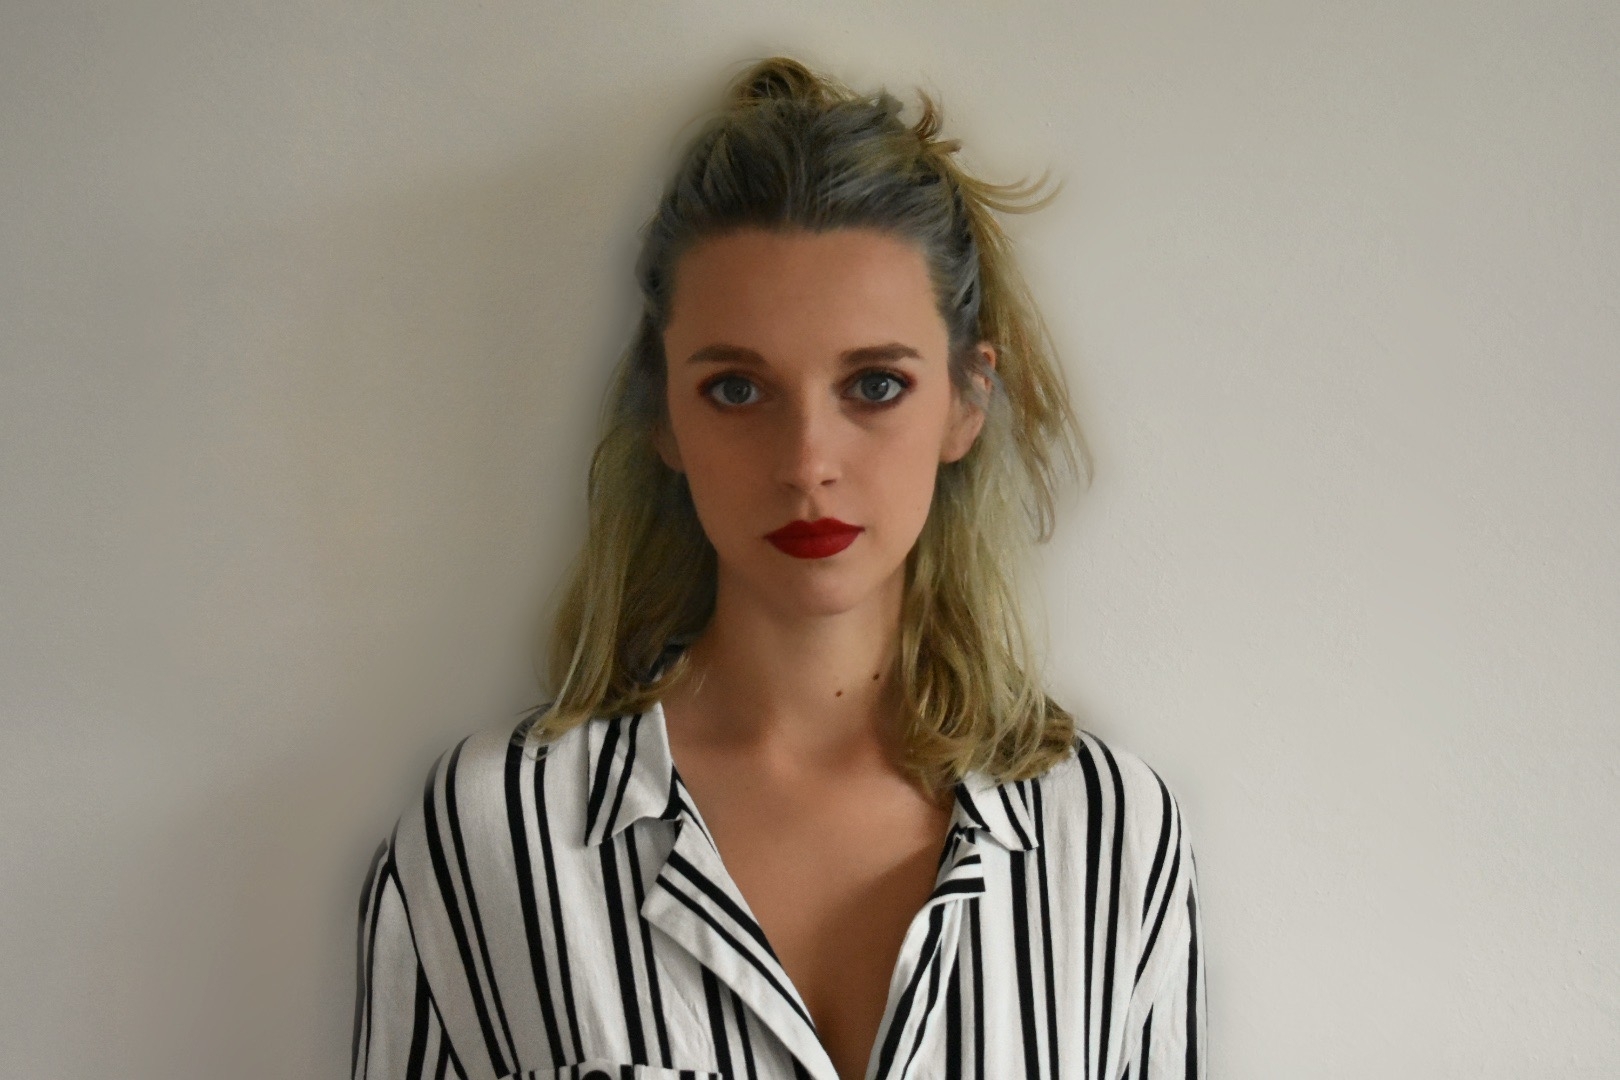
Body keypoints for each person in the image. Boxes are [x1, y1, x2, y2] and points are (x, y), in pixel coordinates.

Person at [351, 56, 1205, 1080]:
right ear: (664, 414)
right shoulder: (494, 838)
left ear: (967, 401)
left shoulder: (1108, 839)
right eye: (737, 391)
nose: (807, 463)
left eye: (875, 385)